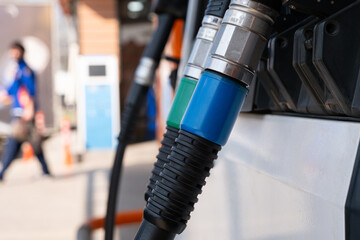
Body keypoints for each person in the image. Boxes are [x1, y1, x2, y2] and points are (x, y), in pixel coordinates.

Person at [0, 42, 51, 181]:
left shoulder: (25, 70)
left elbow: (31, 92)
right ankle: (46, 171)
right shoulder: (16, 70)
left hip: (23, 115)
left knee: (29, 143)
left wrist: (29, 110)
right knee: (19, 144)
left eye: (16, 51)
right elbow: (11, 90)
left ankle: (46, 171)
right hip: (18, 113)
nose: (14, 54)